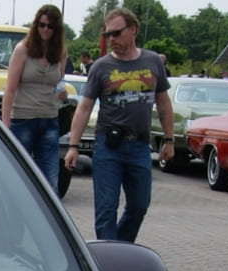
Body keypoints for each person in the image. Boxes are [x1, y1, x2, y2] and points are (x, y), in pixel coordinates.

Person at [62, 8, 173, 242]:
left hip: (139, 146)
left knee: (139, 205)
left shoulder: (152, 62)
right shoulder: (101, 67)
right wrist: (73, 145)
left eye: (116, 33)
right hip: (108, 146)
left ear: (132, 30)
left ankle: (119, 249)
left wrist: (169, 139)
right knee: (105, 209)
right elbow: (84, 107)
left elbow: (163, 103)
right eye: (107, 35)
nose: (111, 39)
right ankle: (110, 259)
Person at [1, 4, 66, 188]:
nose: (45, 29)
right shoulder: (23, 49)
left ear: (56, 29)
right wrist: (5, 124)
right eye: (42, 25)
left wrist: (61, 93)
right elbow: (10, 89)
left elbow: (58, 83)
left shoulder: (60, 52)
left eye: (50, 26)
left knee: (50, 182)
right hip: (23, 119)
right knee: (15, 178)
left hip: (49, 119)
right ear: (36, 26)